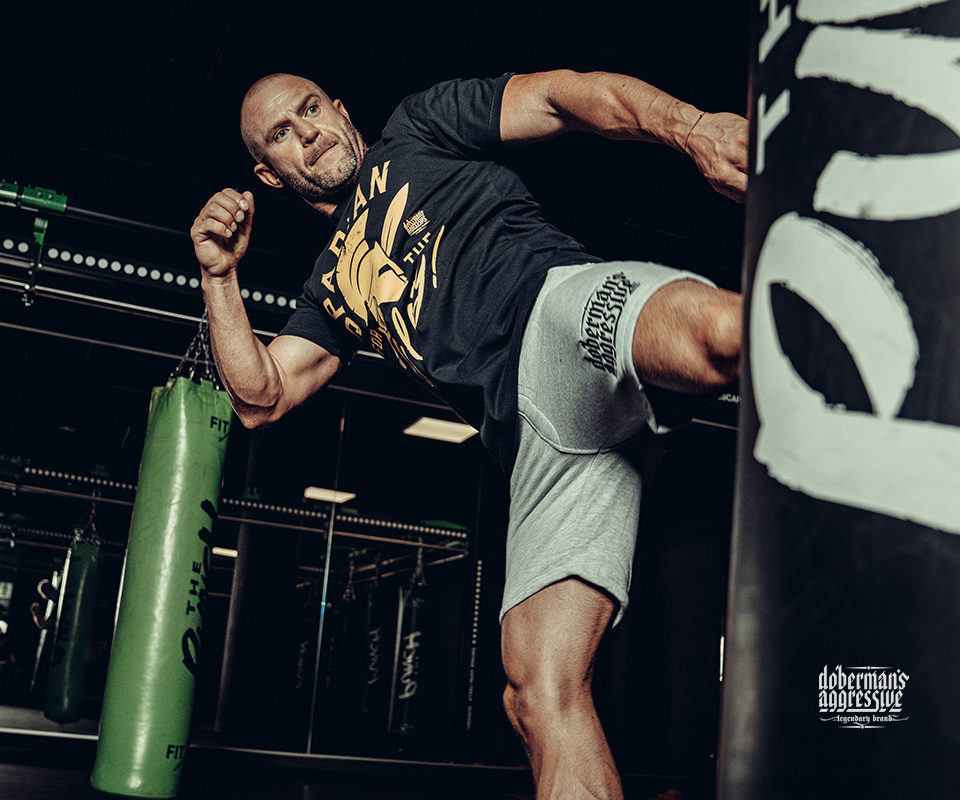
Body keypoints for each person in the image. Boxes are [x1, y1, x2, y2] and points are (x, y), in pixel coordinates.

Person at [191, 69, 746, 800]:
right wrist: (219, 277)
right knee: (536, 693)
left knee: (716, 336)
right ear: (269, 173)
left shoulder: (416, 128)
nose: (310, 133)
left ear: (341, 109)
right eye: (282, 134)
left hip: (554, 313)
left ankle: (864, 330)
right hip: (534, 442)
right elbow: (261, 398)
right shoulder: (329, 290)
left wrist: (692, 127)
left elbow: (560, 97)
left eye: (311, 108)